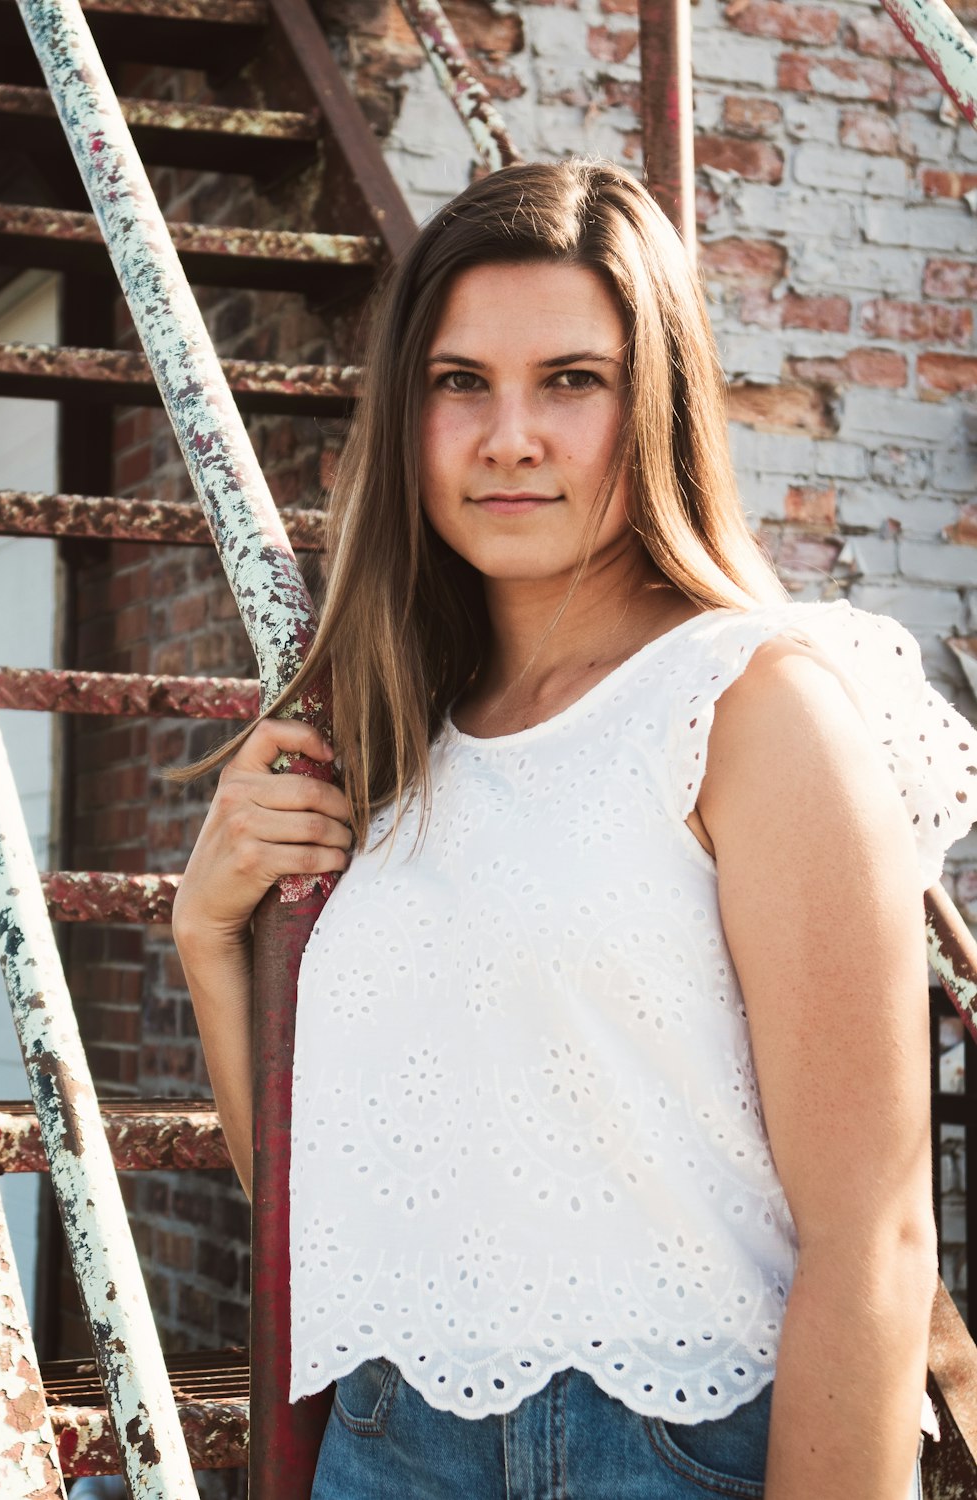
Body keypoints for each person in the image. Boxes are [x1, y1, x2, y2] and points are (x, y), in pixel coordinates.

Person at [173, 159, 972, 1499]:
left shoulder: (752, 703)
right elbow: (338, 1221)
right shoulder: (388, 738)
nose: (510, 438)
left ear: (655, 405)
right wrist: (208, 939)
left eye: (573, 381)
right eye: (459, 382)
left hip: (664, 1453)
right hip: (387, 1443)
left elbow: (874, 1237)